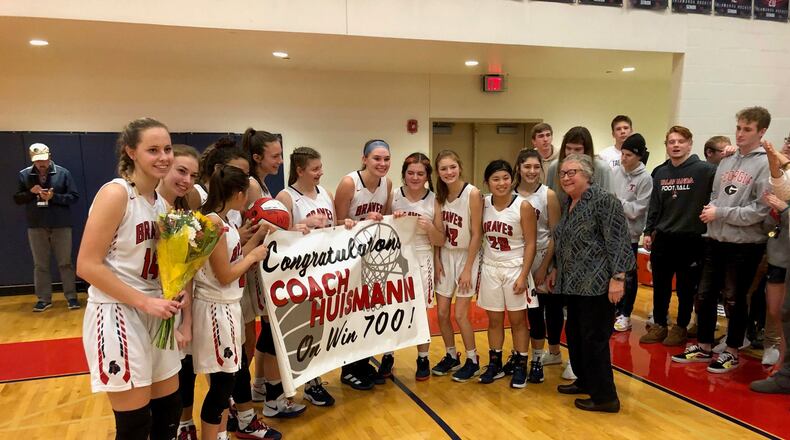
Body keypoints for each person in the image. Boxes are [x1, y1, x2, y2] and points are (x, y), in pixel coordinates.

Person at [77, 118, 183, 439]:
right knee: (135, 425)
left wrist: (176, 289)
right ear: (131, 152)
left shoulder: (163, 204)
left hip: (155, 313)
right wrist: (144, 301)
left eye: (167, 149)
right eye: (153, 150)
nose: (164, 156)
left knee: (169, 412)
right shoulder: (117, 193)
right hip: (117, 315)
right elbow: (86, 265)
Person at [672, 107, 771, 373]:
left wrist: (722, 212)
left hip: (744, 244)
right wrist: (712, 210)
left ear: (761, 132)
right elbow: (716, 194)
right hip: (715, 238)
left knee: (734, 299)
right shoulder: (727, 160)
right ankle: (704, 346)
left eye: (747, 129)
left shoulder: (764, 164)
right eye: (738, 127)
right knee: (704, 296)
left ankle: (732, 351)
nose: (739, 134)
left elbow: (760, 211)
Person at [193, 165, 278, 440]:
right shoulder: (213, 223)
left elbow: (235, 257)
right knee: (221, 385)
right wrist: (254, 258)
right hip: (215, 308)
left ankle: (222, 434)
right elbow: (225, 274)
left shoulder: (223, 220)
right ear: (238, 193)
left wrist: (258, 236)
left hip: (228, 307)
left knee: (228, 379)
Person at [549, 153, 634, 413]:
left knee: (594, 340)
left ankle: (606, 397)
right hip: (573, 285)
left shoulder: (604, 201)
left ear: (588, 174)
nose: (566, 177)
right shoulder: (569, 203)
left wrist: (618, 279)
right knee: (575, 336)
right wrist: (555, 269)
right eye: (563, 173)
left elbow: (618, 241)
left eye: (572, 172)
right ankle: (585, 381)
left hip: (597, 285)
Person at [277, 147, 350, 402]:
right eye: (315, 169)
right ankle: (304, 383)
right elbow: (277, 238)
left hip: (326, 271)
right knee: (303, 330)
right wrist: (303, 226)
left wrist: (347, 223)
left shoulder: (325, 194)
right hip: (299, 273)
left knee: (321, 328)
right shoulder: (286, 197)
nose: (321, 172)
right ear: (300, 170)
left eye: (321, 167)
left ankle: (314, 381)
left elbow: (333, 227)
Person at [242, 129, 305, 419]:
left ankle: (258, 386)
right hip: (258, 269)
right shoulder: (254, 186)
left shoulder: (262, 184)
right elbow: (260, 232)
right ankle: (273, 399)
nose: (281, 160)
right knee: (272, 332)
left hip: (261, 266)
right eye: (275, 155)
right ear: (257, 157)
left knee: (267, 332)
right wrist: (293, 232)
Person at [640, 127, 716, 346]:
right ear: (666, 145)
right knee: (661, 287)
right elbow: (654, 205)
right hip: (663, 238)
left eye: (680, 141)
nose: (675, 145)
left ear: (689, 144)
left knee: (685, 289)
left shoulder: (705, 170)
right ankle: (660, 325)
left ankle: (681, 327)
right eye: (671, 141)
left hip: (691, 239)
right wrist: (648, 230)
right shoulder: (660, 172)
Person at [334, 139, 394, 386]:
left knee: (370, 311)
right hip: (349, 258)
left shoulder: (387, 183)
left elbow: (387, 219)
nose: (382, 163)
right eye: (377, 158)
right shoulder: (350, 183)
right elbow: (336, 225)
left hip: (373, 257)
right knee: (352, 314)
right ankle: (348, 369)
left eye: (386, 159)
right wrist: (360, 222)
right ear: (364, 159)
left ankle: (363, 363)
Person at [477, 160, 537, 389]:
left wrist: (523, 275)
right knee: (493, 321)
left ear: (512, 179)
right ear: (487, 182)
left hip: (515, 267)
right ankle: (495, 363)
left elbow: (531, 243)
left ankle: (521, 363)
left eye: (505, 178)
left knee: (518, 321)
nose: (501, 183)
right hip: (491, 267)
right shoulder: (483, 204)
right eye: (495, 179)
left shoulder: (523, 206)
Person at [155, 144, 201, 440]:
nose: (186, 180)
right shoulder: (142, 203)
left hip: (169, 311)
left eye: (193, 175)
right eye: (181, 171)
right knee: (148, 407)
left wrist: (186, 320)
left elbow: (185, 273)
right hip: (143, 311)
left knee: (169, 400)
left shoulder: (180, 213)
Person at [390, 153, 445, 380]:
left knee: (420, 311)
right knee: (390, 308)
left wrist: (430, 228)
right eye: (410, 173)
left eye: (420, 173)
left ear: (427, 176)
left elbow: (440, 239)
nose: (414, 177)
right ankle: (387, 355)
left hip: (422, 255)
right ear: (404, 174)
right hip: (394, 256)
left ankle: (423, 357)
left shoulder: (435, 200)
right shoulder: (393, 196)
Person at [431, 150, 484, 382]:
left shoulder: (472, 193)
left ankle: (473, 359)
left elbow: (477, 234)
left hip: (466, 257)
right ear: (438, 172)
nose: (449, 172)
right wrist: (436, 259)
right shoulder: (439, 196)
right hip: (446, 255)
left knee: (461, 314)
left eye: (452, 167)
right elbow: (438, 233)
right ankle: (451, 355)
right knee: (442, 313)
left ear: (459, 167)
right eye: (443, 168)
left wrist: (467, 268)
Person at [512, 149, 561, 384]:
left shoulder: (548, 195)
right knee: (521, 314)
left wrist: (546, 266)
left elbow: (555, 233)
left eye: (535, 167)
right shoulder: (509, 194)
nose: (531, 171)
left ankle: (540, 359)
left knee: (543, 311)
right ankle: (519, 355)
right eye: (527, 167)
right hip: (516, 260)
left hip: (541, 257)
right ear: (519, 168)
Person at [14, 142, 80, 312]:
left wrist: (54, 197)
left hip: (61, 224)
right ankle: (44, 299)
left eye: (43, 160)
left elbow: (73, 197)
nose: (41, 164)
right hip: (36, 225)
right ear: (32, 160)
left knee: (65, 262)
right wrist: (31, 193)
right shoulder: (24, 175)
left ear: (50, 156)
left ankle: (71, 297)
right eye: (37, 161)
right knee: (40, 264)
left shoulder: (63, 173)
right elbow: (17, 199)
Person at [750, 135, 790, 394]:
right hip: (778, 250)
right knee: (780, 311)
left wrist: (785, 210)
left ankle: (781, 363)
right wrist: (773, 159)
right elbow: (781, 189)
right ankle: (783, 365)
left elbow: (784, 198)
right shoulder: (782, 168)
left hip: (785, 250)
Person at [610, 134, 652, 332]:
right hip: (611, 233)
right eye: (622, 153)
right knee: (611, 274)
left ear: (638, 157)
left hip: (630, 235)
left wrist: (617, 202)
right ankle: (612, 310)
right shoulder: (615, 172)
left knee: (628, 277)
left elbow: (638, 210)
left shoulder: (645, 179)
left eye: (628, 155)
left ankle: (625, 314)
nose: (623, 158)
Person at [546, 126, 614, 203]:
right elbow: (549, 200)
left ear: (587, 150)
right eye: (568, 148)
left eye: (577, 149)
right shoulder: (554, 167)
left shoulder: (602, 169)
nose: (571, 153)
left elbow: (611, 203)